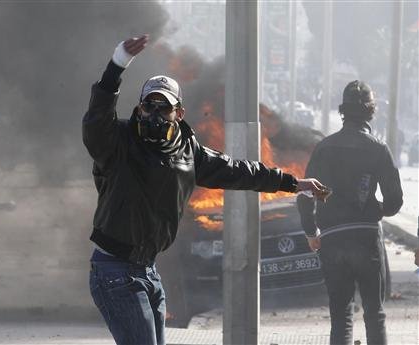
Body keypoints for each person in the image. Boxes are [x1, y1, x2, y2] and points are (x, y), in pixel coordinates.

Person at [82, 34, 327, 345]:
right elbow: (95, 121)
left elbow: (237, 171)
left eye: (164, 107)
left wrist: (291, 182)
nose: (155, 114)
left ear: (179, 113)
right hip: (115, 271)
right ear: (139, 108)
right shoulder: (117, 142)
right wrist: (116, 66)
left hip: (149, 270)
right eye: (149, 106)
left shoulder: (187, 149)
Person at [297, 80, 404, 345]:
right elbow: (395, 199)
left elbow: (305, 194)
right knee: (374, 314)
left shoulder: (324, 148)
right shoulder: (377, 148)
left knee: (341, 316)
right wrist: (377, 209)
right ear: (371, 111)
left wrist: (311, 231)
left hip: (332, 239)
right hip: (366, 239)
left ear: (343, 111)